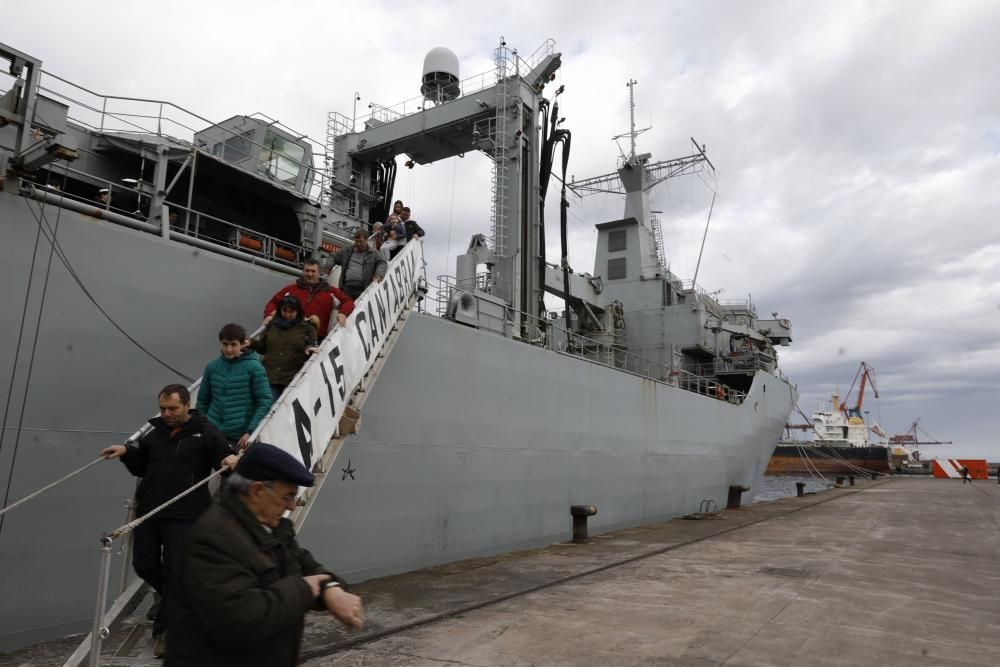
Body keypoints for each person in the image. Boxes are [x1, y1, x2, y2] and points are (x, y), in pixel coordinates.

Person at [166, 443, 364, 666]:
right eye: (287, 496)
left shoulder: (276, 529)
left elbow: (309, 567)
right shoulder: (212, 539)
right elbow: (239, 622)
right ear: (256, 491)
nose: (291, 505)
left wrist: (330, 590)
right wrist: (305, 588)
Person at [100, 384, 238, 658]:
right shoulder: (155, 432)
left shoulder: (206, 432)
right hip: (151, 512)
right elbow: (142, 466)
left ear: (187, 405)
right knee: (144, 564)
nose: (166, 414)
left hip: (186, 515)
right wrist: (126, 453)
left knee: (175, 572)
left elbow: (224, 460)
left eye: (172, 408)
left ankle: (166, 631)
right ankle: (184, 599)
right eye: (162, 408)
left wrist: (230, 459)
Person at [197, 323, 273, 451]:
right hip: (212, 432)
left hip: (238, 438)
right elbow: (202, 401)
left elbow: (264, 401)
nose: (229, 349)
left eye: (233, 344)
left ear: (243, 344)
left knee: (233, 471)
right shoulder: (211, 367)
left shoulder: (255, 368)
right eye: (225, 344)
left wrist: (250, 431)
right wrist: (203, 426)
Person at [250, 295, 319, 401]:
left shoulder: (307, 329)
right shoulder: (272, 325)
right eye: (284, 311)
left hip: (293, 381)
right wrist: (249, 342)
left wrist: (309, 350)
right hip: (269, 377)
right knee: (268, 407)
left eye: (291, 312)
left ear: (298, 312)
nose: (287, 315)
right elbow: (262, 348)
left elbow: (312, 348)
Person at [264, 259, 354, 339]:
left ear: (319, 273)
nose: (310, 274)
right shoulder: (291, 289)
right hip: (290, 335)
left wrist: (343, 313)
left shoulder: (331, 291)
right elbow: (273, 303)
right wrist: (269, 315)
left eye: (313, 271)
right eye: (307, 271)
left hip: (317, 338)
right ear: (303, 272)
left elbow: (348, 301)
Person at [324, 230, 388, 300]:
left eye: (360, 241)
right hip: (347, 288)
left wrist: (379, 275)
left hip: (364, 289)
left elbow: (382, 262)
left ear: (367, 240)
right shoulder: (347, 250)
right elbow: (333, 256)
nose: (358, 243)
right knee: (346, 308)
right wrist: (328, 266)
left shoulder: (374, 253)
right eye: (356, 241)